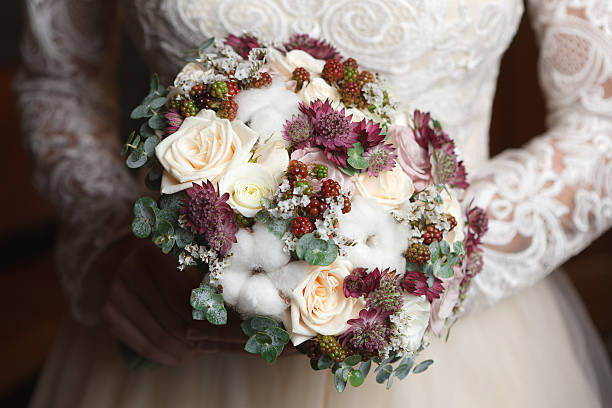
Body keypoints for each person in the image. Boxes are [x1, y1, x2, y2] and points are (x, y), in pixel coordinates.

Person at [16, 0, 612, 407]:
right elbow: (58, 80)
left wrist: (427, 260)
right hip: (173, 315)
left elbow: (602, 122)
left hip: (461, 348)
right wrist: (107, 240)